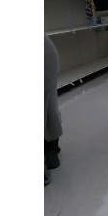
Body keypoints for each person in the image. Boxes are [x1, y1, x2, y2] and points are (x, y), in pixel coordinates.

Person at [44, 35, 63, 185]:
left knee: (47, 108)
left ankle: (49, 154)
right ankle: (51, 150)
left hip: (45, 60)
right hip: (48, 57)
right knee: (49, 107)